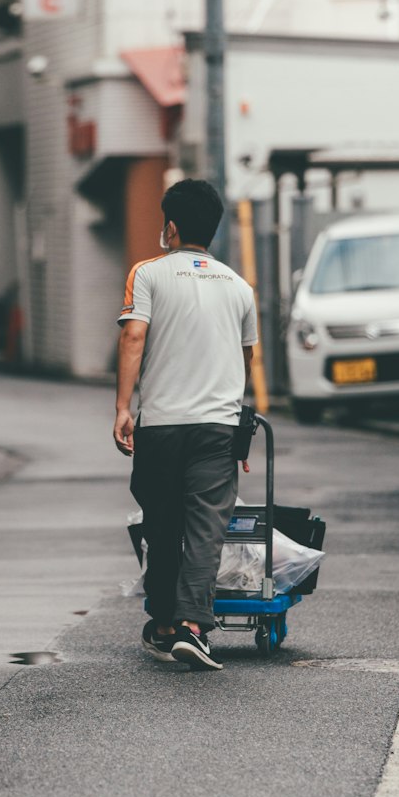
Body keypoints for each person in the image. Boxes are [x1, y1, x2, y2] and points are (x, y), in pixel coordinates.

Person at [113, 178, 258, 671]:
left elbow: (134, 337)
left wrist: (122, 408)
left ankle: (164, 623)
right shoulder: (240, 287)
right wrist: (241, 432)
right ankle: (193, 626)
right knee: (205, 528)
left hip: (161, 425)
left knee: (162, 521)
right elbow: (246, 361)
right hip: (217, 427)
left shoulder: (148, 274)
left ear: (170, 227)